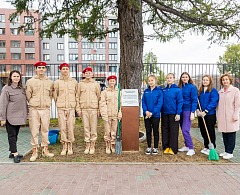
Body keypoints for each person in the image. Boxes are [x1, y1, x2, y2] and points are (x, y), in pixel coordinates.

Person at [25, 61, 54, 161]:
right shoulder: (30, 82)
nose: (41, 69)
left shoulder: (50, 82)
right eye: (39, 67)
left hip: (45, 108)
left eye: (43, 67)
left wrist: (47, 102)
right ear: (36, 69)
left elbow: (50, 95)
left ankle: (45, 150)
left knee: (45, 129)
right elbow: (28, 95)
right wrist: (33, 102)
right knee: (34, 130)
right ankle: (34, 151)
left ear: (45, 69)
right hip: (34, 109)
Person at [0, 70, 28, 163]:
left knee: (15, 135)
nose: (16, 78)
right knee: (11, 136)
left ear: (20, 78)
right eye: (14, 76)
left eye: (18, 76)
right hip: (10, 117)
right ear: (10, 78)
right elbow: (3, 104)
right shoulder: (6, 89)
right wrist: (2, 118)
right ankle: (15, 154)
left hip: (20, 117)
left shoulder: (22, 89)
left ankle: (12, 152)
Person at [53, 63, 78, 155]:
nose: (65, 70)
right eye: (63, 69)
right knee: (62, 127)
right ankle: (64, 145)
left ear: (69, 70)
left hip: (71, 107)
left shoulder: (74, 82)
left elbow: (76, 94)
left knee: (70, 127)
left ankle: (70, 145)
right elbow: (55, 96)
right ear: (60, 70)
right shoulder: (57, 82)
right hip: (61, 107)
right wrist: (59, 103)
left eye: (67, 69)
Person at [76, 67, 101, 155]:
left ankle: (92, 145)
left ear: (92, 74)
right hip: (84, 109)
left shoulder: (96, 84)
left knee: (93, 128)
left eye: (90, 73)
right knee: (86, 127)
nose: (88, 75)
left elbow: (99, 98)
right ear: (84, 74)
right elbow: (77, 97)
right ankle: (87, 144)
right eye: (86, 73)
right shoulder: (80, 84)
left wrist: (99, 110)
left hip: (94, 109)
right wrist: (78, 109)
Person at [216, 73, 239, 159]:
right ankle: (226, 151)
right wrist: (218, 115)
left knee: (231, 135)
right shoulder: (220, 92)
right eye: (223, 80)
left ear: (230, 80)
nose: (225, 81)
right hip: (222, 117)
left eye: (226, 79)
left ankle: (230, 152)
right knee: (224, 134)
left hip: (231, 117)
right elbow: (218, 106)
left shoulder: (235, 91)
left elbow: (237, 105)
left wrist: (235, 115)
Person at [196, 75, 219, 155]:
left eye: (206, 80)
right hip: (201, 114)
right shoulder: (200, 91)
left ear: (210, 81)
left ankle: (212, 147)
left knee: (210, 130)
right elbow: (197, 102)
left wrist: (205, 111)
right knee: (203, 130)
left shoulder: (213, 91)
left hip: (209, 114)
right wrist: (198, 111)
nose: (205, 81)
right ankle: (206, 146)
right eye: (203, 80)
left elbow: (214, 102)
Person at [99, 75, 122, 154]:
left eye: (113, 81)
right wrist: (104, 115)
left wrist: (120, 113)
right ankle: (107, 145)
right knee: (107, 131)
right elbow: (102, 104)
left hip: (115, 115)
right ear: (108, 82)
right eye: (110, 81)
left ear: (115, 82)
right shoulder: (104, 92)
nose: (112, 82)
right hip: (107, 115)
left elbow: (121, 104)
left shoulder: (119, 92)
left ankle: (113, 144)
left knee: (114, 131)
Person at [161, 73, 183, 155]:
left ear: (174, 79)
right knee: (165, 130)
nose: (169, 79)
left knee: (173, 131)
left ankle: (173, 148)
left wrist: (178, 113)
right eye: (167, 78)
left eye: (170, 78)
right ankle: (166, 147)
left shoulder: (177, 90)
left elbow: (180, 102)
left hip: (173, 113)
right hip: (164, 113)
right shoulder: (164, 90)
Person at [142, 74, 163, 155]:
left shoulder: (159, 91)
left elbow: (160, 103)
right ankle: (149, 147)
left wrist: (152, 112)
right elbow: (143, 101)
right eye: (149, 81)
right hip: (147, 115)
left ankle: (155, 147)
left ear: (155, 81)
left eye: (152, 80)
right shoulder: (146, 91)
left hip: (155, 115)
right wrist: (146, 111)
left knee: (155, 131)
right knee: (148, 131)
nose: (150, 82)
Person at [178, 72, 198, 156]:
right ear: (181, 78)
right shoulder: (179, 87)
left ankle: (191, 148)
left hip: (188, 110)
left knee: (185, 130)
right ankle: (186, 146)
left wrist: (193, 112)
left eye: (186, 77)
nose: (185, 78)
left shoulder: (192, 87)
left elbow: (194, 100)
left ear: (189, 78)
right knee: (182, 128)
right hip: (180, 110)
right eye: (183, 77)